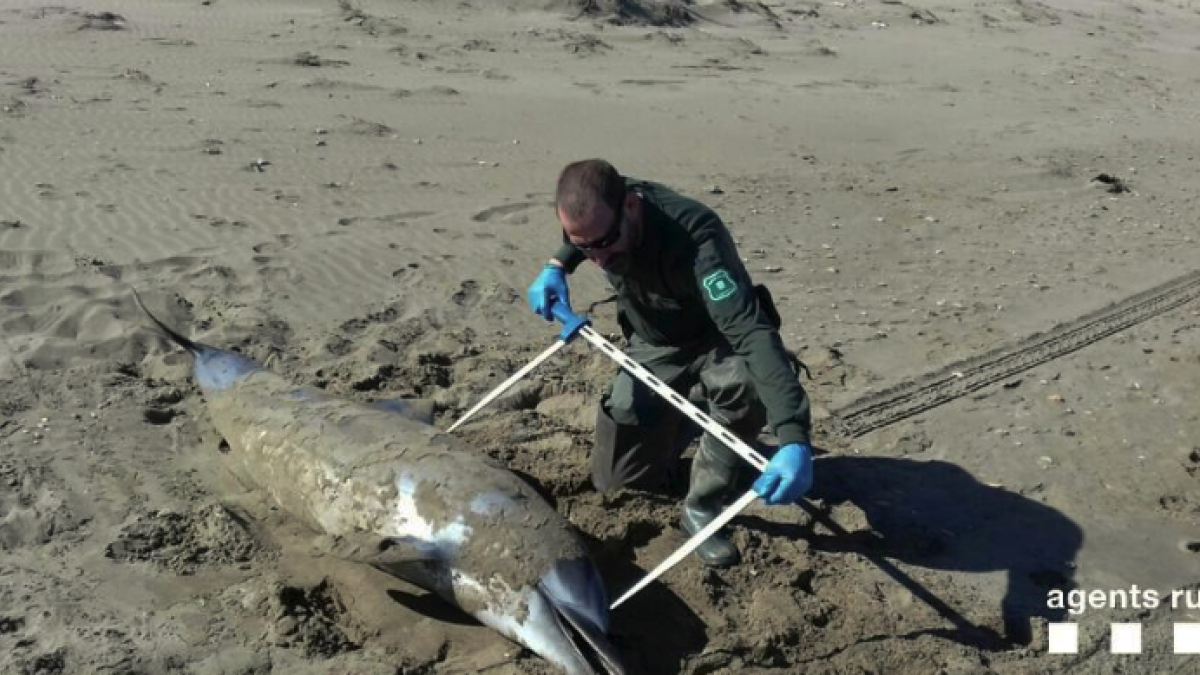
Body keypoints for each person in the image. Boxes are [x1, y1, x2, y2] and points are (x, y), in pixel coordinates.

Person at [525, 158, 815, 568]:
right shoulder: (598, 217)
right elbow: (587, 234)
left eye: (604, 242)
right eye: (583, 246)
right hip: (655, 339)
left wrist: (794, 437)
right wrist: (557, 265)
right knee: (619, 480)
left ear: (630, 206)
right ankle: (700, 416)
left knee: (745, 386)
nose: (598, 259)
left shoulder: (697, 238)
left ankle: (704, 504)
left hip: (718, 337)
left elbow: (750, 331)